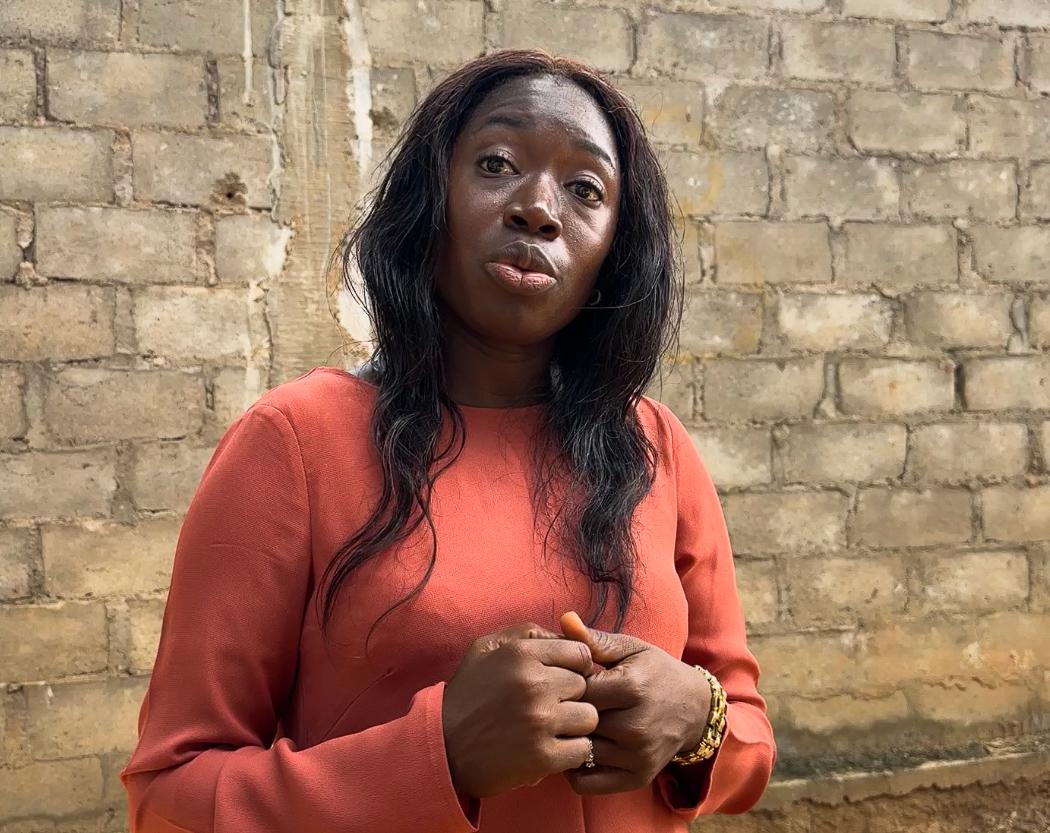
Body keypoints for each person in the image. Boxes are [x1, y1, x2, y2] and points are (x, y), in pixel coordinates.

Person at [120, 48, 776, 832]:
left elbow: (749, 736)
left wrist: (696, 717)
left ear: (615, 251)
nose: (539, 208)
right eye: (496, 164)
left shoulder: (656, 448)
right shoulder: (294, 443)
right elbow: (169, 797)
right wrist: (440, 757)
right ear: (429, 202)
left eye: (585, 188)